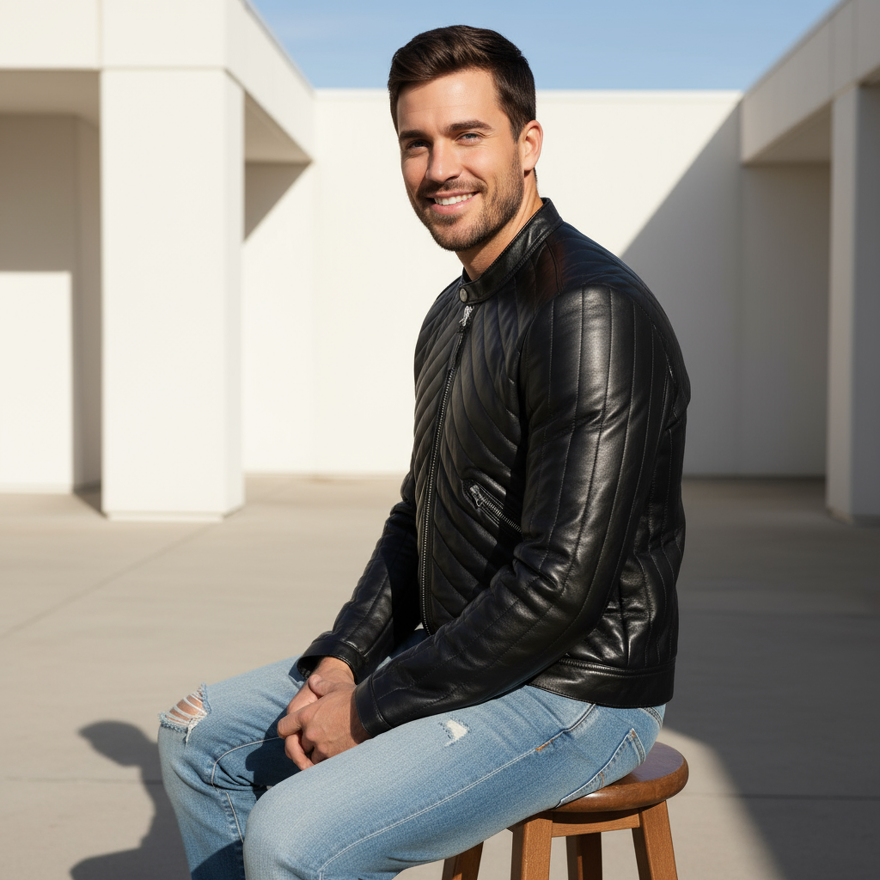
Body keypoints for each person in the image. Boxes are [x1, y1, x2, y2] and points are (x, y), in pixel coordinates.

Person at [158, 24, 690, 880]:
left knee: (294, 837)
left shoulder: (590, 313)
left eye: (467, 135)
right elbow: (419, 517)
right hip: (464, 654)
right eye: (416, 142)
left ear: (528, 144)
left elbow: (561, 581)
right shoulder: (454, 313)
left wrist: (370, 709)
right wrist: (343, 658)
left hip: (577, 690)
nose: (439, 166)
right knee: (198, 735)